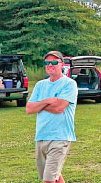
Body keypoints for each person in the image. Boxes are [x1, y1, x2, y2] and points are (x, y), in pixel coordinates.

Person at [26, 51, 78, 183]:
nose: (50, 65)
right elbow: (29, 108)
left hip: (60, 137)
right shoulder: (40, 85)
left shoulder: (69, 84)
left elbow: (58, 108)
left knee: (48, 180)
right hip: (41, 136)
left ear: (62, 65)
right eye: (47, 63)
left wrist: (39, 104)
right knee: (54, 176)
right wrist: (47, 101)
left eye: (54, 62)